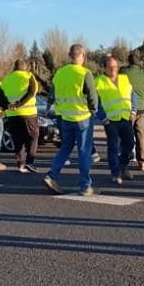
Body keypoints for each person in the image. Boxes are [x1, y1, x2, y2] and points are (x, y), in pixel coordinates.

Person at [44, 44, 99, 196]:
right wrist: (93, 111)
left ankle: (52, 175)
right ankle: (85, 186)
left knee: (65, 148)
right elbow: (93, 97)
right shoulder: (85, 74)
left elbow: (52, 94)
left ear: (69, 55)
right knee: (84, 151)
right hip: (82, 118)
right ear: (83, 55)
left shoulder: (60, 73)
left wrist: (49, 109)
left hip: (65, 118)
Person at [96, 55, 137, 185]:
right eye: (110, 67)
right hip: (111, 120)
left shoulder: (124, 79)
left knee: (129, 144)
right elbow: (94, 102)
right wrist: (103, 117)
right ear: (105, 68)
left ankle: (122, 165)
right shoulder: (99, 81)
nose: (113, 69)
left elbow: (133, 95)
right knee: (113, 147)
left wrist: (133, 111)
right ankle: (115, 173)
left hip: (125, 118)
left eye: (115, 67)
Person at [0, 57, 42, 173]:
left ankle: (20, 164)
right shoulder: (29, 76)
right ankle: (30, 162)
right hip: (28, 113)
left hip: (12, 114)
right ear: (25, 68)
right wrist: (19, 104)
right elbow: (31, 92)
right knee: (33, 137)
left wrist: (7, 105)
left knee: (18, 139)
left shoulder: (6, 79)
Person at [121, 50, 144, 171]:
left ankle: (125, 159)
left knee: (126, 136)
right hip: (141, 107)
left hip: (128, 108)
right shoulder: (143, 73)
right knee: (140, 135)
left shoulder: (124, 72)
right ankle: (142, 161)